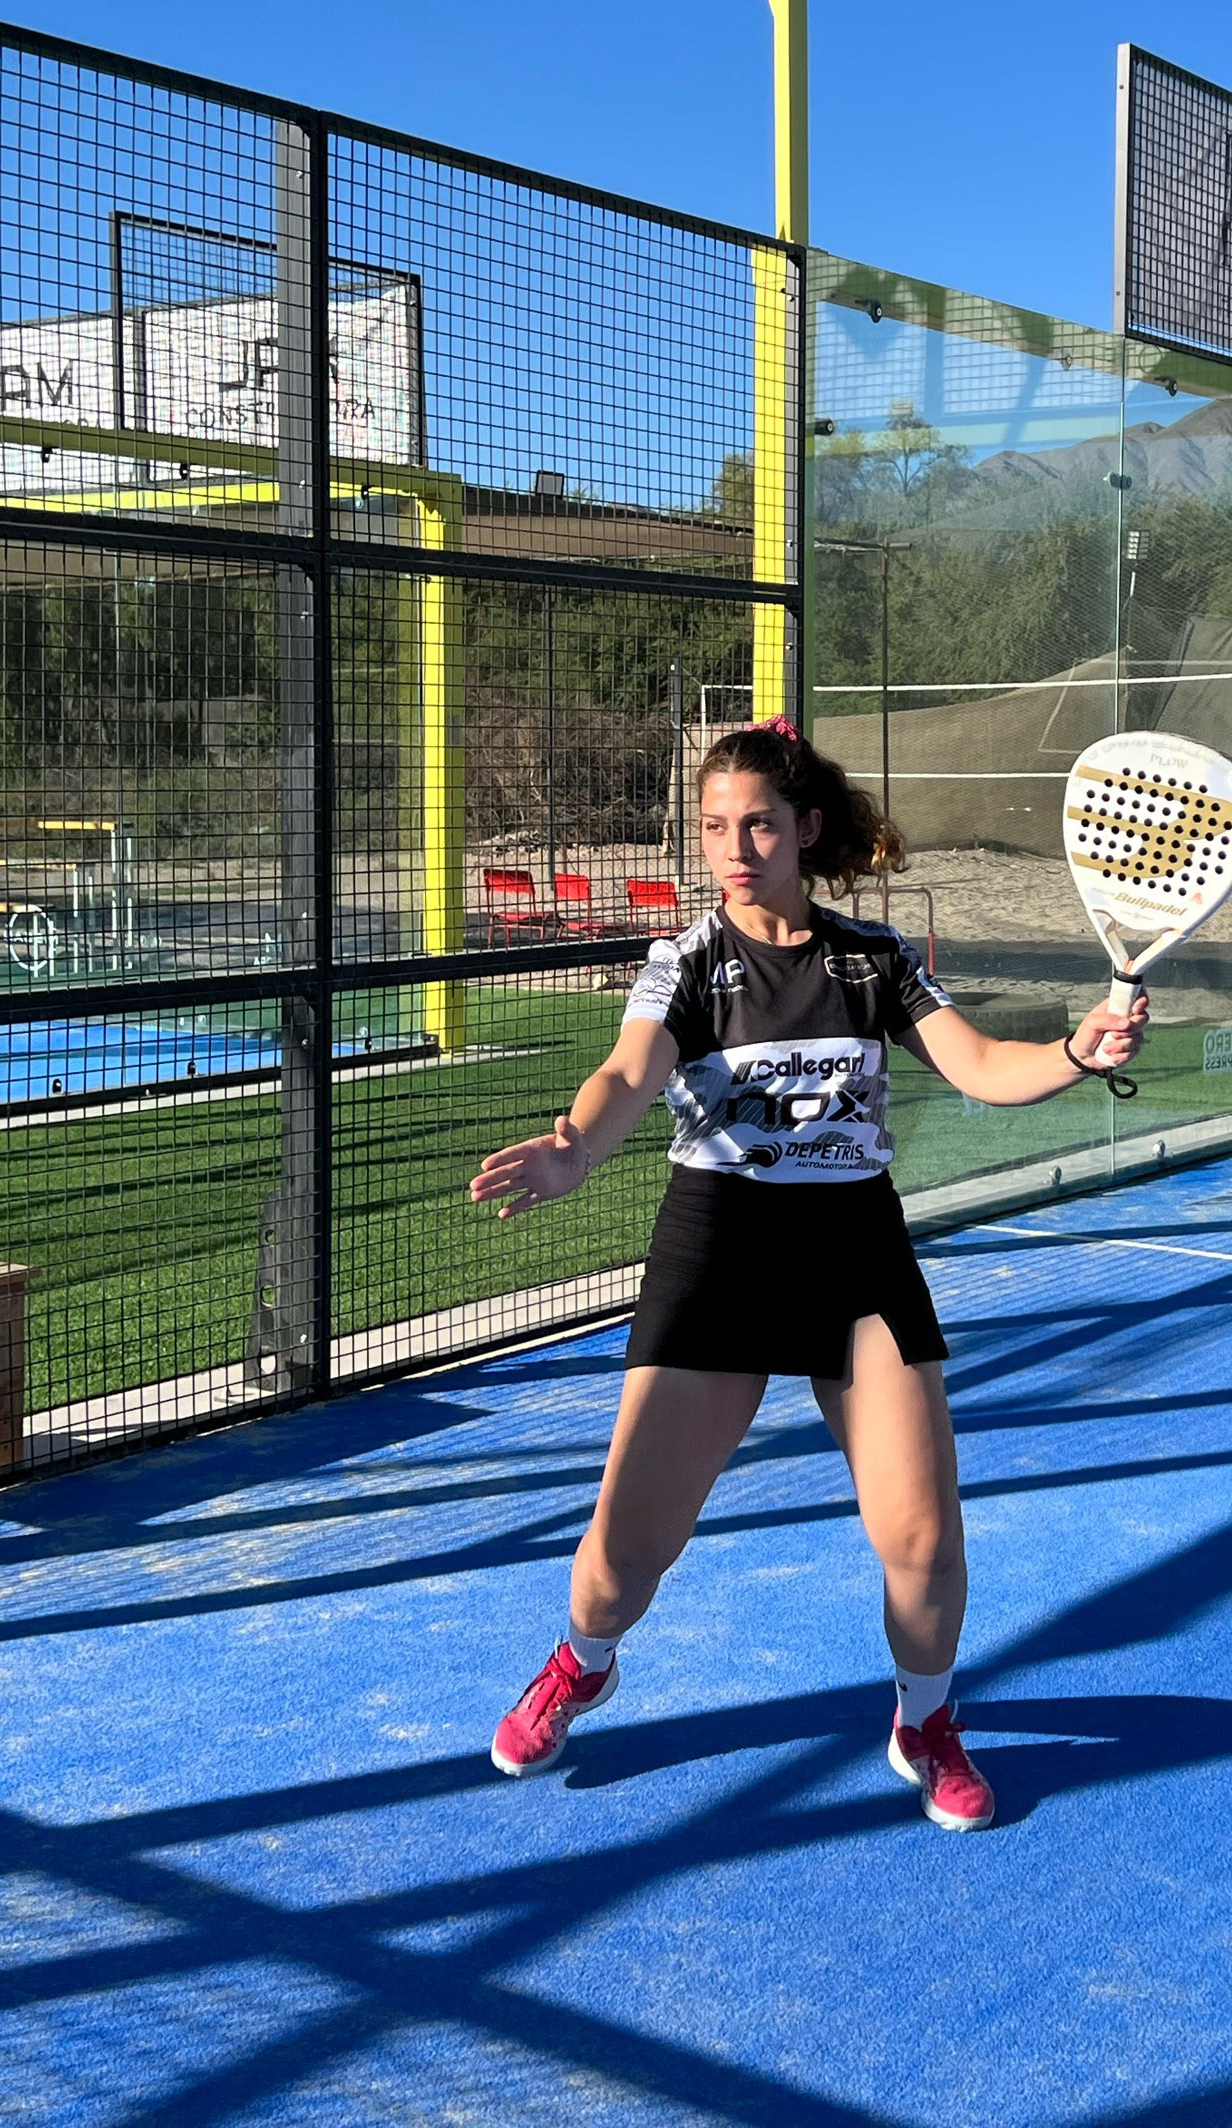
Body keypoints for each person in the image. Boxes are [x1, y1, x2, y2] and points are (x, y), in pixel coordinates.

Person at [469, 717, 1146, 1830]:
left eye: (758, 825)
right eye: (713, 828)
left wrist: (1077, 1050)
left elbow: (981, 1065)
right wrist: (575, 1148)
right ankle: (582, 1663)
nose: (734, 849)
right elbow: (627, 1072)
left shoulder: (872, 959)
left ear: (805, 828)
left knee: (923, 1540)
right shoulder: (685, 964)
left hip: (853, 1253)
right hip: (718, 1252)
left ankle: (924, 1720)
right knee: (622, 1557)